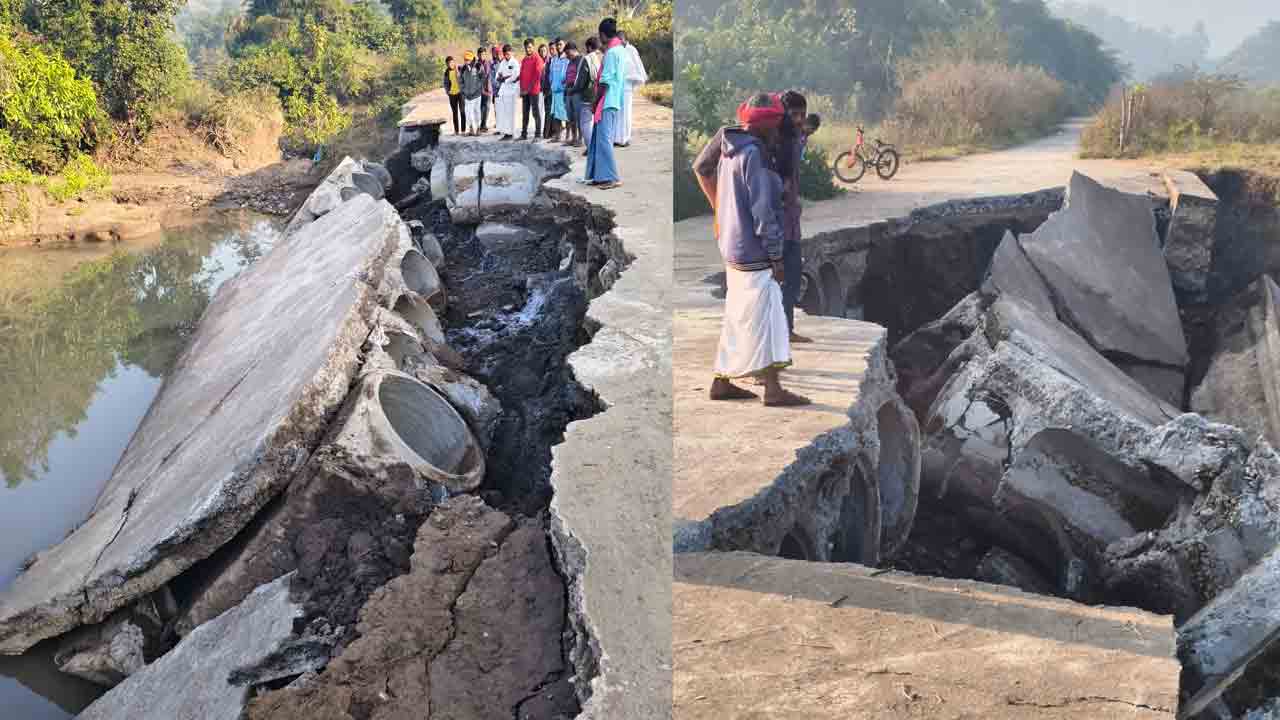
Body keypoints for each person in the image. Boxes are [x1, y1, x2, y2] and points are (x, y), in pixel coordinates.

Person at [706, 93, 810, 407]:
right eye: (778, 122)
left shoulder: (729, 148)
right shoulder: (756, 156)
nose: (781, 129)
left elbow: (706, 174)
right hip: (755, 253)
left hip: (733, 248)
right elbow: (763, 211)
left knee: (738, 316)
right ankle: (774, 390)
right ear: (768, 125)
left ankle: (721, 381)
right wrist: (776, 255)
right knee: (769, 317)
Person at [778, 90, 812, 343]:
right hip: (776, 225)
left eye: (802, 114)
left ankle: (786, 330)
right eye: (794, 114)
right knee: (779, 282)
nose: (799, 119)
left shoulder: (794, 140)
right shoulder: (775, 143)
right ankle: (779, 333)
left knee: (792, 278)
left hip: (791, 221)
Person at [585, 18, 624, 189]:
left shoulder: (612, 52)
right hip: (613, 100)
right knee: (599, 138)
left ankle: (611, 177)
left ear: (602, 35)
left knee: (604, 140)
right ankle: (600, 175)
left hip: (607, 101)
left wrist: (595, 101)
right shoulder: (620, 50)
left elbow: (605, 82)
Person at [614, 31, 647, 147]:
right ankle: (617, 138)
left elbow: (637, 66)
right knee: (617, 112)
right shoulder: (617, 50)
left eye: (619, 39)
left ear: (624, 39)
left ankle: (625, 138)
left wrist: (633, 80)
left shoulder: (631, 50)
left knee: (626, 113)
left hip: (626, 85)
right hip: (618, 86)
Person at [578, 37, 603, 157]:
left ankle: (591, 148)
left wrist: (574, 90)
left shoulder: (587, 59)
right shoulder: (604, 56)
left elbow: (582, 80)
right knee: (597, 123)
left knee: (585, 123)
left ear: (588, 47)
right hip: (603, 94)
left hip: (589, 95)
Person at [519, 39, 544, 141]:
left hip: (533, 91)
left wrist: (528, 89)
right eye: (526, 47)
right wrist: (521, 89)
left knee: (535, 113)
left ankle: (537, 135)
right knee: (525, 113)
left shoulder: (537, 59)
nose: (527, 49)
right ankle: (523, 134)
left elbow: (537, 76)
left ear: (533, 47)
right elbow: (521, 75)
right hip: (524, 91)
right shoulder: (524, 59)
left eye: (529, 47)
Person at [495, 44, 520, 140]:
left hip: (512, 90)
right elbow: (498, 75)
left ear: (511, 53)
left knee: (511, 112)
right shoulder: (502, 62)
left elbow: (515, 76)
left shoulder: (515, 62)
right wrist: (501, 78)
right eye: (505, 54)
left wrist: (505, 79)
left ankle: (511, 133)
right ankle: (506, 132)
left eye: (508, 54)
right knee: (504, 112)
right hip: (504, 90)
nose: (507, 56)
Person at [562, 42, 585, 147]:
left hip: (577, 92)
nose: (567, 56)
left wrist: (574, 88)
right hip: (568, 91)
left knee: (578, 116)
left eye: (568, 53)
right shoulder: (570, 61)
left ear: (574, 50)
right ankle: (574, 137)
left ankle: (580, 139)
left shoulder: (581, 60)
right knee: (571, 117)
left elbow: (581, 78)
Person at [548, 41, 570, 143]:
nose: (558, 46)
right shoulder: (554, 60)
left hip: (564, 91)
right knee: (556, 114)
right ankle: (557, 135)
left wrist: (565, 86)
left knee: (566, 115)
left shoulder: (567, 59)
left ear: (564, 45)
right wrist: (551, 83)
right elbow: (551, 74)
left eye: (560, 44)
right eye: (557, 45)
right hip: (555, 91)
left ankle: (568, 136)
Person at [460, 51, 483, 136]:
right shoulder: (463, 69)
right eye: (465, 59)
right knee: (468, 112)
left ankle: (478, 129)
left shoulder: (478, 66)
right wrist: (464, 91)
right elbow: (461, 81)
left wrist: (477, 90)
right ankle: (471, 129)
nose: (466, 61)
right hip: (467, 95)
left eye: (468, 59)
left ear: (472, 59)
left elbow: (482, 79)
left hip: (476, 94)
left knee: (476, 111)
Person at [443, 56, 464, 134]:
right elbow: (445, 83)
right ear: (446, 64)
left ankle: (463, 130)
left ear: (454, 62)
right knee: (455, 113)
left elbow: (464, 77)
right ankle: (456, 131)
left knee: (462, 112)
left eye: (451, 62)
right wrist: (447, 91)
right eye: (448, 63)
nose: (450, 64)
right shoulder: (446, 72)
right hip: (452, 95)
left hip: (460, 93)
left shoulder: (459, 68)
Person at [477, 47, 494, 132]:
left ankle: (484, 125)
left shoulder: (488, 63)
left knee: (486, 107)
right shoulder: (476, 64)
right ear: (477, 55)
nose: (481, 56)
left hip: (488, 88)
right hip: (479, 89)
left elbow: (487, 75)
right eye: (480, 54)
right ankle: (481, 125)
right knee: (480, 107)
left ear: (485, 55)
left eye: (483, 54)